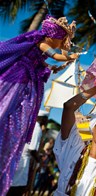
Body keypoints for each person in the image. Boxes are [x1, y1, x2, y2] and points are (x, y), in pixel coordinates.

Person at [0, 15, 78, 194]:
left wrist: (58, 62)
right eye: (62, 39)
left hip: (26, 80)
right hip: (20, 78)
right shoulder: (42, 43)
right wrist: (68, 55)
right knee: (7, 104)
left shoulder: (41, 47)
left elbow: (47, 61)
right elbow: (55, 56)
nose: (63, 42)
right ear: (54, 36)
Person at [7, 110, 49, 196]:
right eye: (46, 119)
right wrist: (39, 160)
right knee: (17, 188)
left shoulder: (28, 125)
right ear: (42, 119)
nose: (46, 121)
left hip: (16, 160)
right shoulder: (37, 128)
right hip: (23, 162)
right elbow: (32, 149)